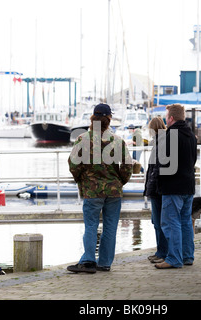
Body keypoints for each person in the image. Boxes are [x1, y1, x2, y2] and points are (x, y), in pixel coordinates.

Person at [67, 103, 133, 273]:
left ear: (92, 118)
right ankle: (104, 263)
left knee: (91, 226)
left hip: (92, 190)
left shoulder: (83, 139)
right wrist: (119, 182)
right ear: (109, 119)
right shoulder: (117, 140)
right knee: (110, 226)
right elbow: (127, 166)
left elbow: (73, 163)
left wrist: (81, 180)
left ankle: (88, 261)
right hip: (113, 191)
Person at [155, 104, 197, 269]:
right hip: (188, 185)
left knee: (171, 222)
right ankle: (187, 256)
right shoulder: (191, 136)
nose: (166, 119)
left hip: (173, 186)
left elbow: (163, 164)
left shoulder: (170, 135)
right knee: (185, 221)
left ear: (171, 118)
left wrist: (160, 183)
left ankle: (174, 258)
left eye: (167, 116)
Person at [143, 117, 168, 264]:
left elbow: (156, 169)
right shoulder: (162, 141)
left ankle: (162, 252)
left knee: (158, 222)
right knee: (158, 222)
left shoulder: (160, 143)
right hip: (159, 188)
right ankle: (161, 251)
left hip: (157, 189)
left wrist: (150, 187)